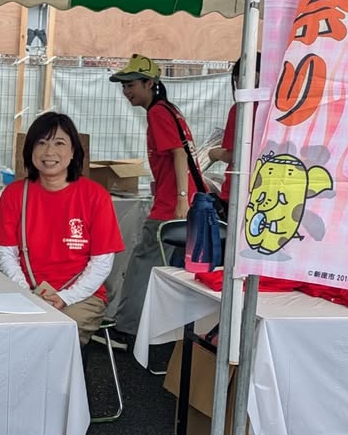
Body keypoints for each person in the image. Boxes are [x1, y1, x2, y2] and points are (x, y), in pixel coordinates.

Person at [0, 112, 123, 435]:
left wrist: (65, 297)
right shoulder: (16, 194)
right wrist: (27, 292)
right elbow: (6, 253)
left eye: (60, 142)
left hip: (80, 296)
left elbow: (102, 262)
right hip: (26, 290)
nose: (50, 151)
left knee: (57, 335)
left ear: (75, 151)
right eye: (42, 142)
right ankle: (3, 422)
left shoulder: (94, 195)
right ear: (29, 150)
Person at [109, 54, 198, 342]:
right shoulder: (169, 110)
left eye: (131, 84)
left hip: (171, 207)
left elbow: (178, 154)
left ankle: (128, 329)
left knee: (143, 264)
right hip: (178, 202)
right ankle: (158, 330)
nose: (126, 92)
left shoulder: (158, 113)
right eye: (123, 86)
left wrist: (180, 199)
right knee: (168, 269)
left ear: (150, 83)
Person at [207, 55, 261, 218]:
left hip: (237, 190)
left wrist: (215, 154)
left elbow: (234, 155)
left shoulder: (240, 110)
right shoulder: (273, 109)